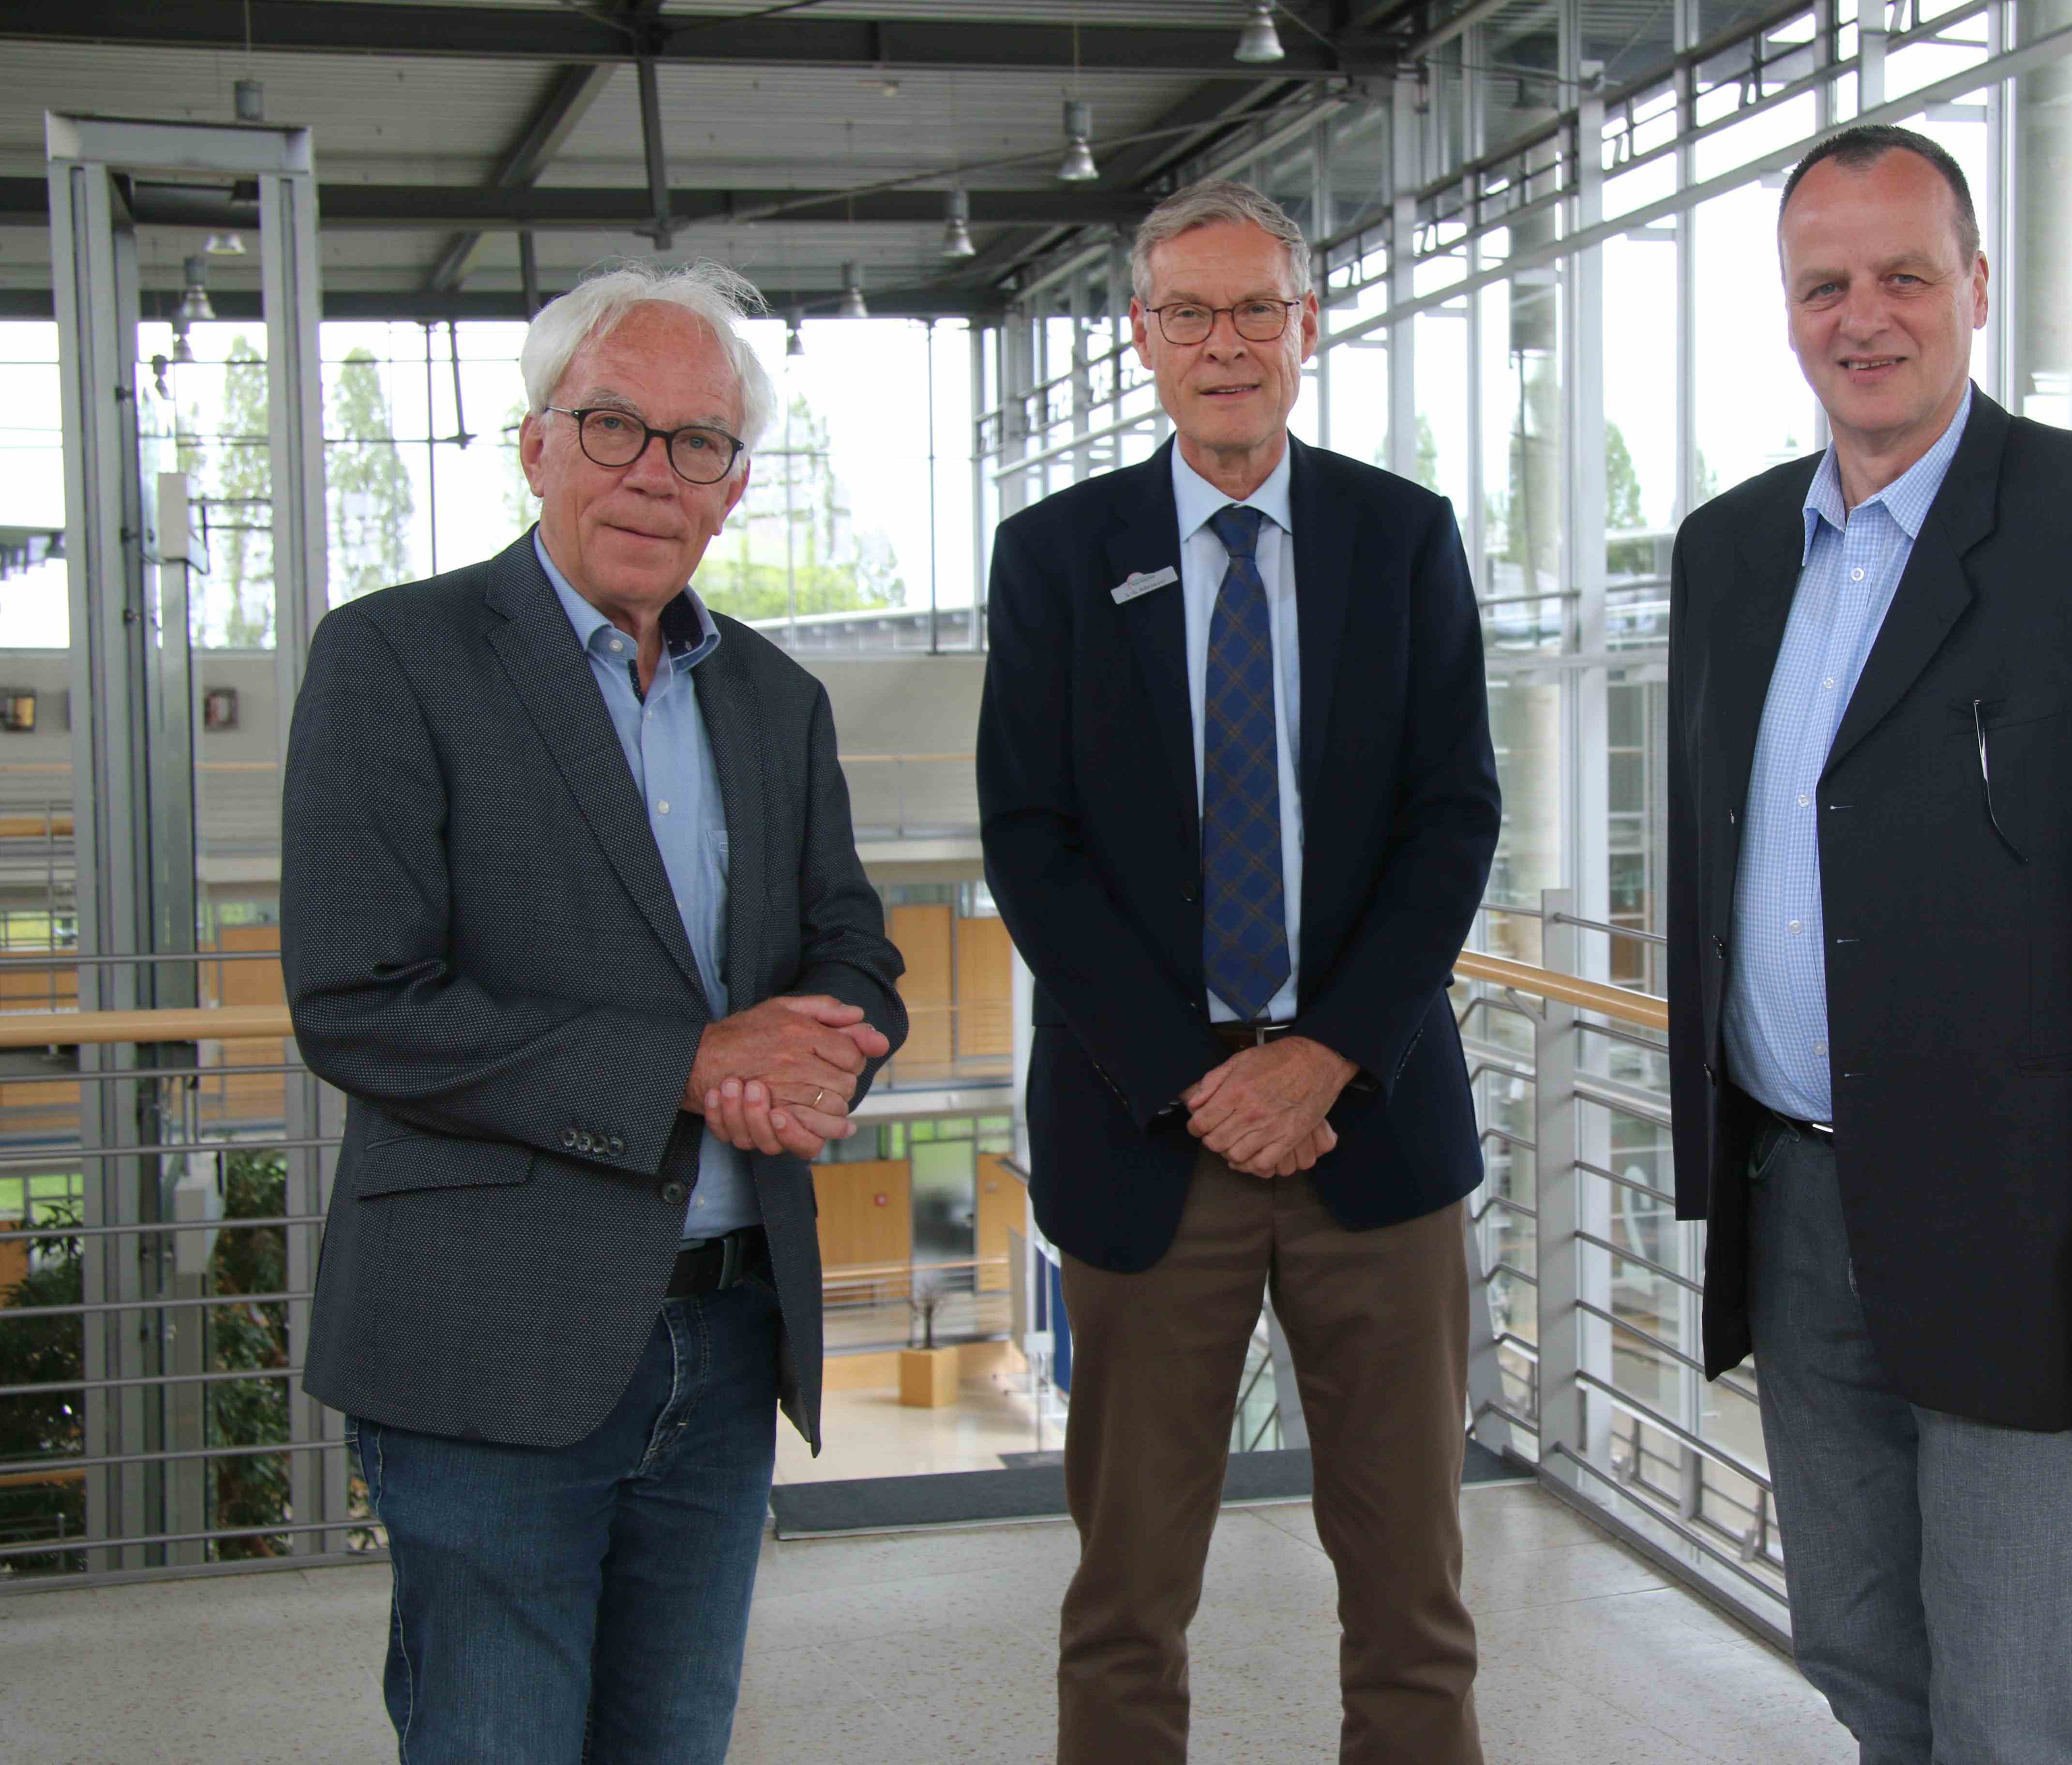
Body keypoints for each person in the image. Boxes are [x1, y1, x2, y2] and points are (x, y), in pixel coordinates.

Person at [1664, 124, 2072, 1761]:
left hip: (2041, 1233)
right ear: (1788, 311)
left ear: (1978, 287)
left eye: (1905, 275)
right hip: (1797, 1206)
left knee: (2014, 1709)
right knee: (1866, 1664)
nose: (1864, 317)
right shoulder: (1728, 553)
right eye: (1825, 286)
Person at [281, 259, 906, 1764]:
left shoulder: (774, 697)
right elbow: (362, 1004)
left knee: (673, 1743)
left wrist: (823, 1049)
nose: (652, 473)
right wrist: (696, 1064)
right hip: (493, 1337)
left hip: (731, 1329)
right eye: (614, 425)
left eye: (699, 444)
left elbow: (853, 945)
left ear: (736, 486)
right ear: (535, 442)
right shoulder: (393, 660)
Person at [977, 178, 1501, 1765]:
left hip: (1375, 1128)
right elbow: (1034, 843)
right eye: (1189, 314)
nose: (1225, 345)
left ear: (1308, 328)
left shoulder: (1401, 540)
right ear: (1142, 339)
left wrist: (1325, 1054)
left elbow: (1454, 813)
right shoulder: (1059, 557)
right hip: (1154, 1134)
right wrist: (1207, 1081)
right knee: (1128, 1605)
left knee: (1415, 1604)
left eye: (1255, 309)